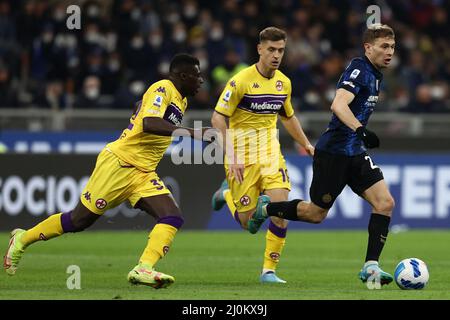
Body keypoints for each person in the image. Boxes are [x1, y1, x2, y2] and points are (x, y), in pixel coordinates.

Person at [3, 53, 214, 289]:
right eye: (197, 75)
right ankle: (22, 238)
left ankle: (143, 268)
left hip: (143, 172)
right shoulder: (163, 88)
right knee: (78, 220)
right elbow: (149, 123)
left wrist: (141, 109)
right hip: (120, 164)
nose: (201, 80)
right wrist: (193, 132)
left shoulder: (180, 100)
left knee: (172, 216)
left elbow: (143, 111)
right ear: (183, 76)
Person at [248, 24, 397, 288]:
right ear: (368, 48)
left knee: (385, 203)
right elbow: (338, 104)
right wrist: (360, 129)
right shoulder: (359, 69)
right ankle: (266, 208)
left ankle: (370, 266)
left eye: (392, 47)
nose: (389, 52)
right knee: (316, 214)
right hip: (334, 153)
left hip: (354, 152)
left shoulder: (376, 74)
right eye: (384, 46)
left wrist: (359, 137)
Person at [210, 27, 314, 284]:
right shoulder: (240, 81)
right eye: (271, 50)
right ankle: (225, 194)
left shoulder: (284, 83)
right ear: (259, 49)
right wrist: (231, 156)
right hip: (241, 156)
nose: (276, 55)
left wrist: (306, 144)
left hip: (270, 153)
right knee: (248, 224)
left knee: (281, 207)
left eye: (280, 50)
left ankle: (269, 271)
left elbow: (287, 117)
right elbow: (217, 118)